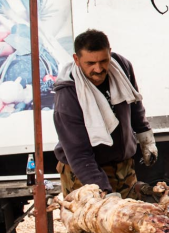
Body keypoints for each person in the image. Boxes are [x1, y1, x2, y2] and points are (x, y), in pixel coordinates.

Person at [53, 29, 158, 198]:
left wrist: (146, 138)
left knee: (129, 220)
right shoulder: (68, 95)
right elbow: (78, 153)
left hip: (123, 166)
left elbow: (134, 102)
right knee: (93, 222)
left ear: (110, 53)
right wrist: (103, 190)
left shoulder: (122, 67)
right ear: (76, 60)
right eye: (90, 63)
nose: (98, 68)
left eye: (103, 61)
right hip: (84, 172)